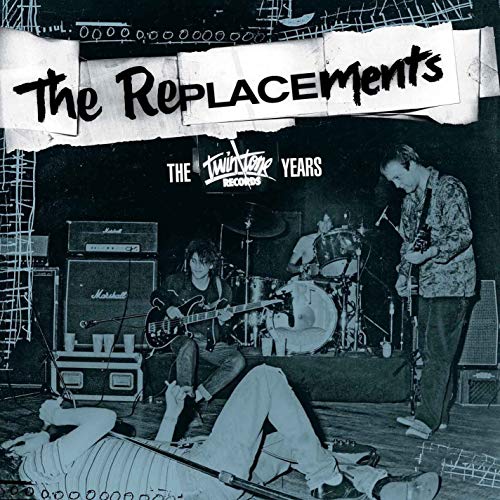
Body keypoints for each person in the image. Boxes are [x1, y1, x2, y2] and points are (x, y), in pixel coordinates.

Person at [1, 365, 440, 500]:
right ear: (15, 450)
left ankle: (380, 488)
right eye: (27, 434)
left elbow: (153, 456)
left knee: (281, 444)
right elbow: (103, 420)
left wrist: (173, 412)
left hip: (198, 480)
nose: (37, 432)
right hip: (202, 474)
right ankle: (328, 478)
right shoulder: (36, 467)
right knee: (265, 379)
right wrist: (58, 414)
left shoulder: (59, 475)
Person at [380, 144, 476, 440]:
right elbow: (408, 244)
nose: (397, 185)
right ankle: (440, 415)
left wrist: (432, 252)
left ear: (411, 163)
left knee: (438, 352)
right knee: (431, 350)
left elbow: (463, 234)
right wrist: (403, 273)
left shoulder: (449, 188)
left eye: (398, 177)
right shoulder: (411, 201)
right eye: (392, 181)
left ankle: (426, 419)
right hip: (428, 284)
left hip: (454, 283)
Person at [150, 239, 245, 405]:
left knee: (237, 360)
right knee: (188, 345)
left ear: (211, 265)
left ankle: (197, 397)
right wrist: (168, 308)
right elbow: (155, 296)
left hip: (206, 342)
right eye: (193, 261)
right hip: (177, 337)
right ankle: (183, 397)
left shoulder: (222, 290)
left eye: (203, 262)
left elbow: (224, 331)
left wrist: (223, 322)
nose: (197, 267)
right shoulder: (176, 282)